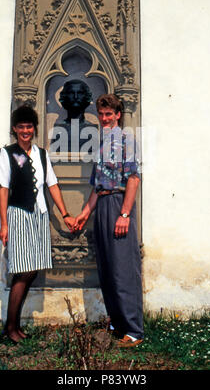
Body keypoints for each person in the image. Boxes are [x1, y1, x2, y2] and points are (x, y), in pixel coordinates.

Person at [0, 105, 75, 344]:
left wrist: (65, 214)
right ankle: (10, 327)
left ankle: (14, 326)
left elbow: (52, 185)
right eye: (21, 127)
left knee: (32, 269)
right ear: (15, 129)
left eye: (29, 126)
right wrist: (4, 224)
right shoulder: (7, 153)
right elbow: (4, 191)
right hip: (18, 215)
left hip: (38, 215)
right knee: (23, 270)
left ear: (34, 128)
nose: (25, 131)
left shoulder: (41, 154)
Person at [73, 94, 144, 347]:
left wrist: (124, 214)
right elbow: (96, 186)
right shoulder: (101, 143)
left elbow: (133, 179)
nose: (104, 118)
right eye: (101, 114)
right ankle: (117, 324)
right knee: (107, 267)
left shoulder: (127, 140)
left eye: (109, 114)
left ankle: (134, 330)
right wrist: (84, 213)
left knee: (123, 267)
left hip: (118, 204)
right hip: (102, 204)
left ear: (117, 115)